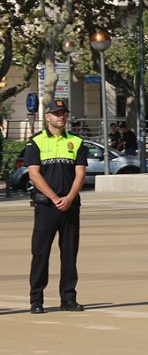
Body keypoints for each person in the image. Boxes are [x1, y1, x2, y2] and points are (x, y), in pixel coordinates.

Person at [24, 99, 87, 313]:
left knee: (69, 254)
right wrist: (53, 197)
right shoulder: (36, 142)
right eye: (57, 113)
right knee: (40, 253)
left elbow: (80, 173)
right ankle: (36, 300)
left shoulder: (77, 142)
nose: (61, 117)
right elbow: (34, 174)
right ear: (47, 117)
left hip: (70, 206)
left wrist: (69, 197)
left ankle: (68, 298)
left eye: (64, 113)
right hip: (46, 207)